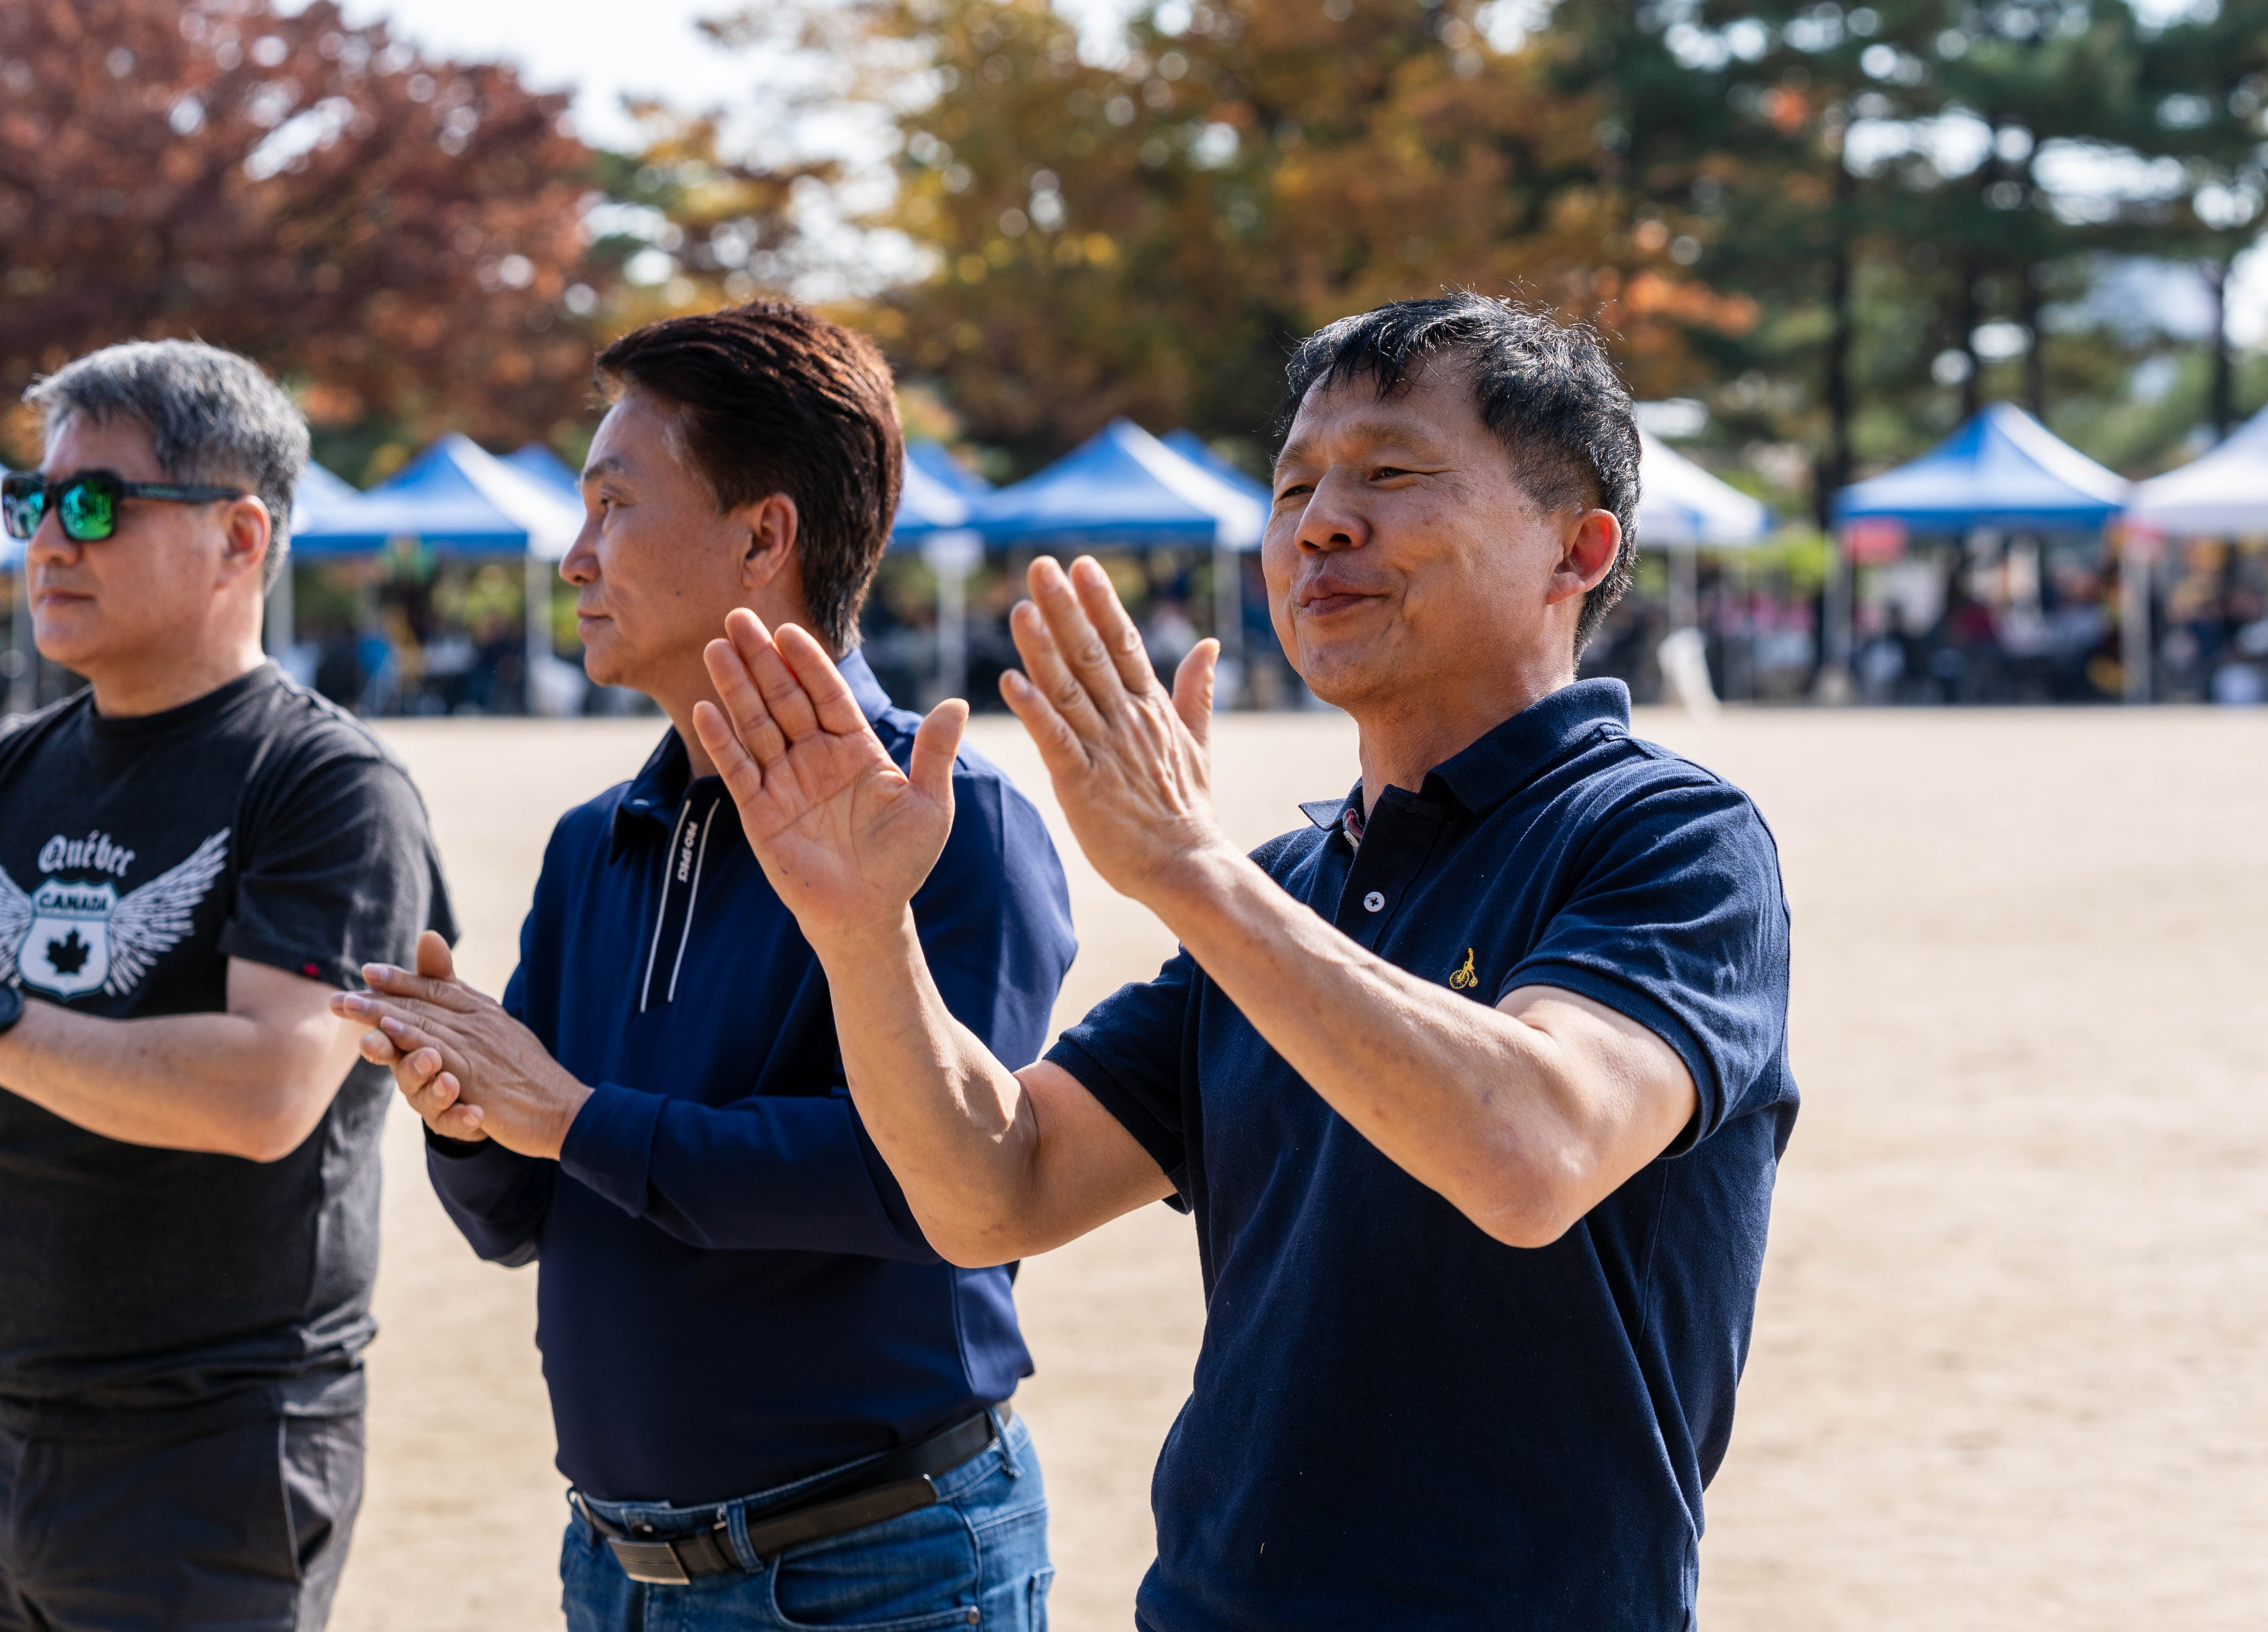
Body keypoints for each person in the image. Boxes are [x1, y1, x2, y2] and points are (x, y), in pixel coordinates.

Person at [689, 293, 1798, 1628]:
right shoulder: (1292, 891)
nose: (1322, 522)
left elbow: (1534, 1153)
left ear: (1577, 550)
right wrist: (862, 932)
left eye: (1390, 474)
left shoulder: (1665, 836)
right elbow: (995, 1192)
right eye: (1294, 487)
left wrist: (1189, 872)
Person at [337, 303, 1074, 1629]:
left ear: (764, 534)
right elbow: (524, 1218)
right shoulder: (597, 842)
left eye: (614, 507)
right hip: (615, 1573)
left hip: (877, 1565)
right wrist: (468, 1114)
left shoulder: (953, 827)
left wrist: (571, 1117)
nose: (573, 559)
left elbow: (921, 1187)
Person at [0, 340, 455, 1628]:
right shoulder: (15, 770)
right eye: (30, 500)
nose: (47, 540)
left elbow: (265, 1089)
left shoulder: (326, 790)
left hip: (205, 1454)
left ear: (240, 536)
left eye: (95, 503)